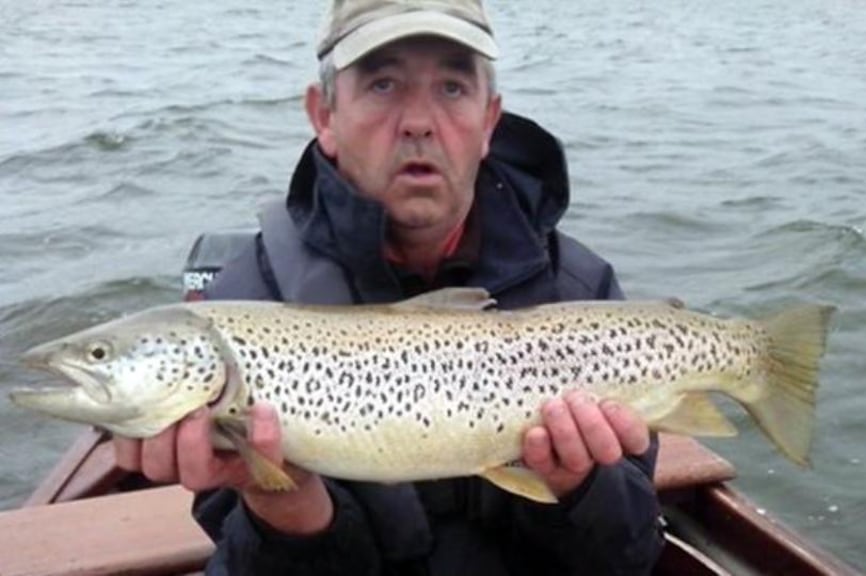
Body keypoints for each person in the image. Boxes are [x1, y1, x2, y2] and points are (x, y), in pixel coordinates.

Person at [113, 0, 665, 573]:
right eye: (382, 84)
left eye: (452, 87)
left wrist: (579, 485)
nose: (419, 121)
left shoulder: (582, 291)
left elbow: (628, 557)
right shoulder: (247, 294)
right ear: (323, 116)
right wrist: (285, 501)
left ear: (490, 122)